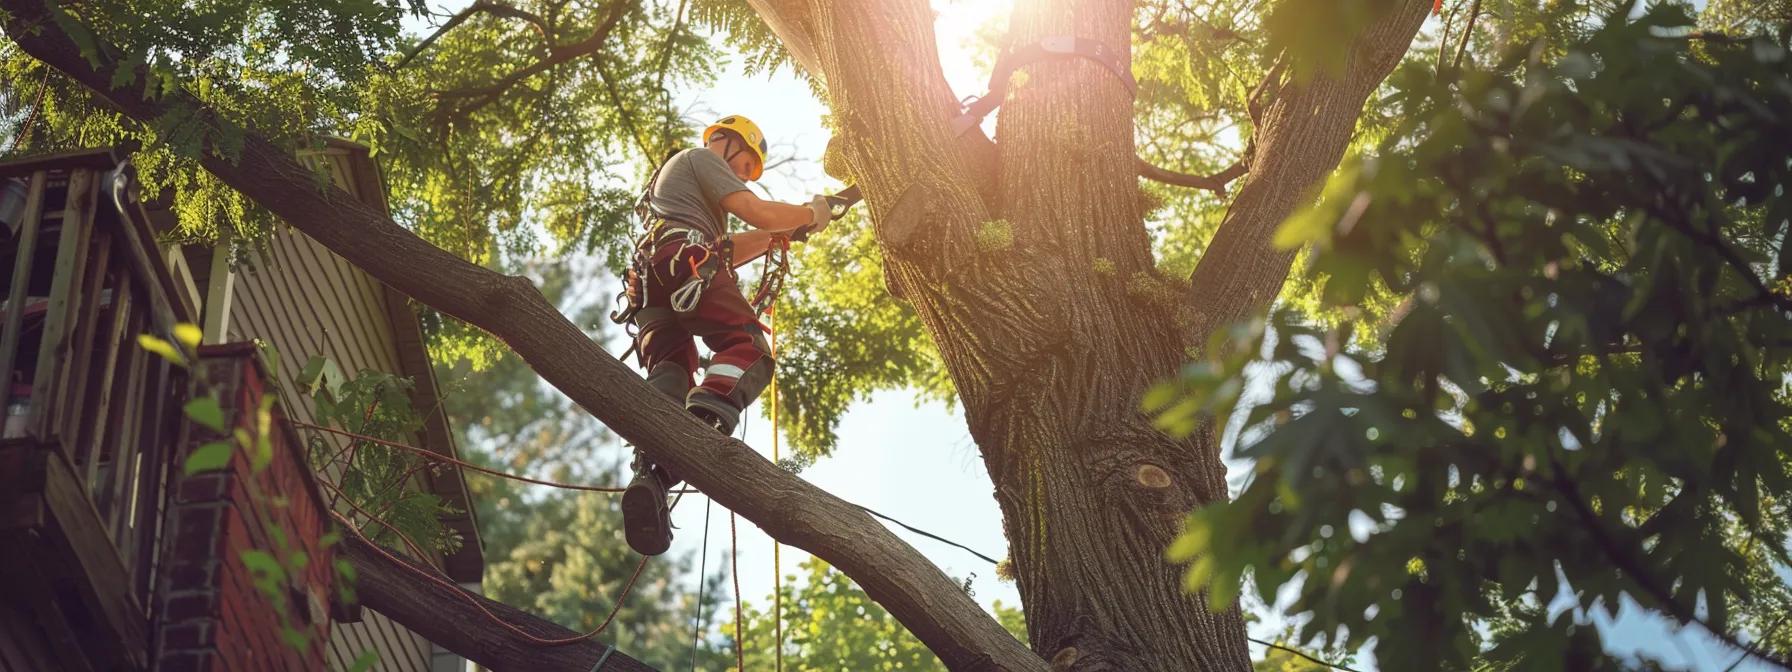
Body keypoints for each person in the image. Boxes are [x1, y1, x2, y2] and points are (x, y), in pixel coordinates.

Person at [616, 115, 831, 556]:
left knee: (672, 372)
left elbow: (730, 248)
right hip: (684, 260)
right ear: (725, 141)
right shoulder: (701, 157)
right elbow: (758, 212)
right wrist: (811, 213)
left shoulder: (682, 194)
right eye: (746, 164)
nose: (742, 175)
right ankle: (702, 426)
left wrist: (780, 236)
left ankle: (652, 475)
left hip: (657, 282)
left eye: (750, 172)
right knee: (747, 349)